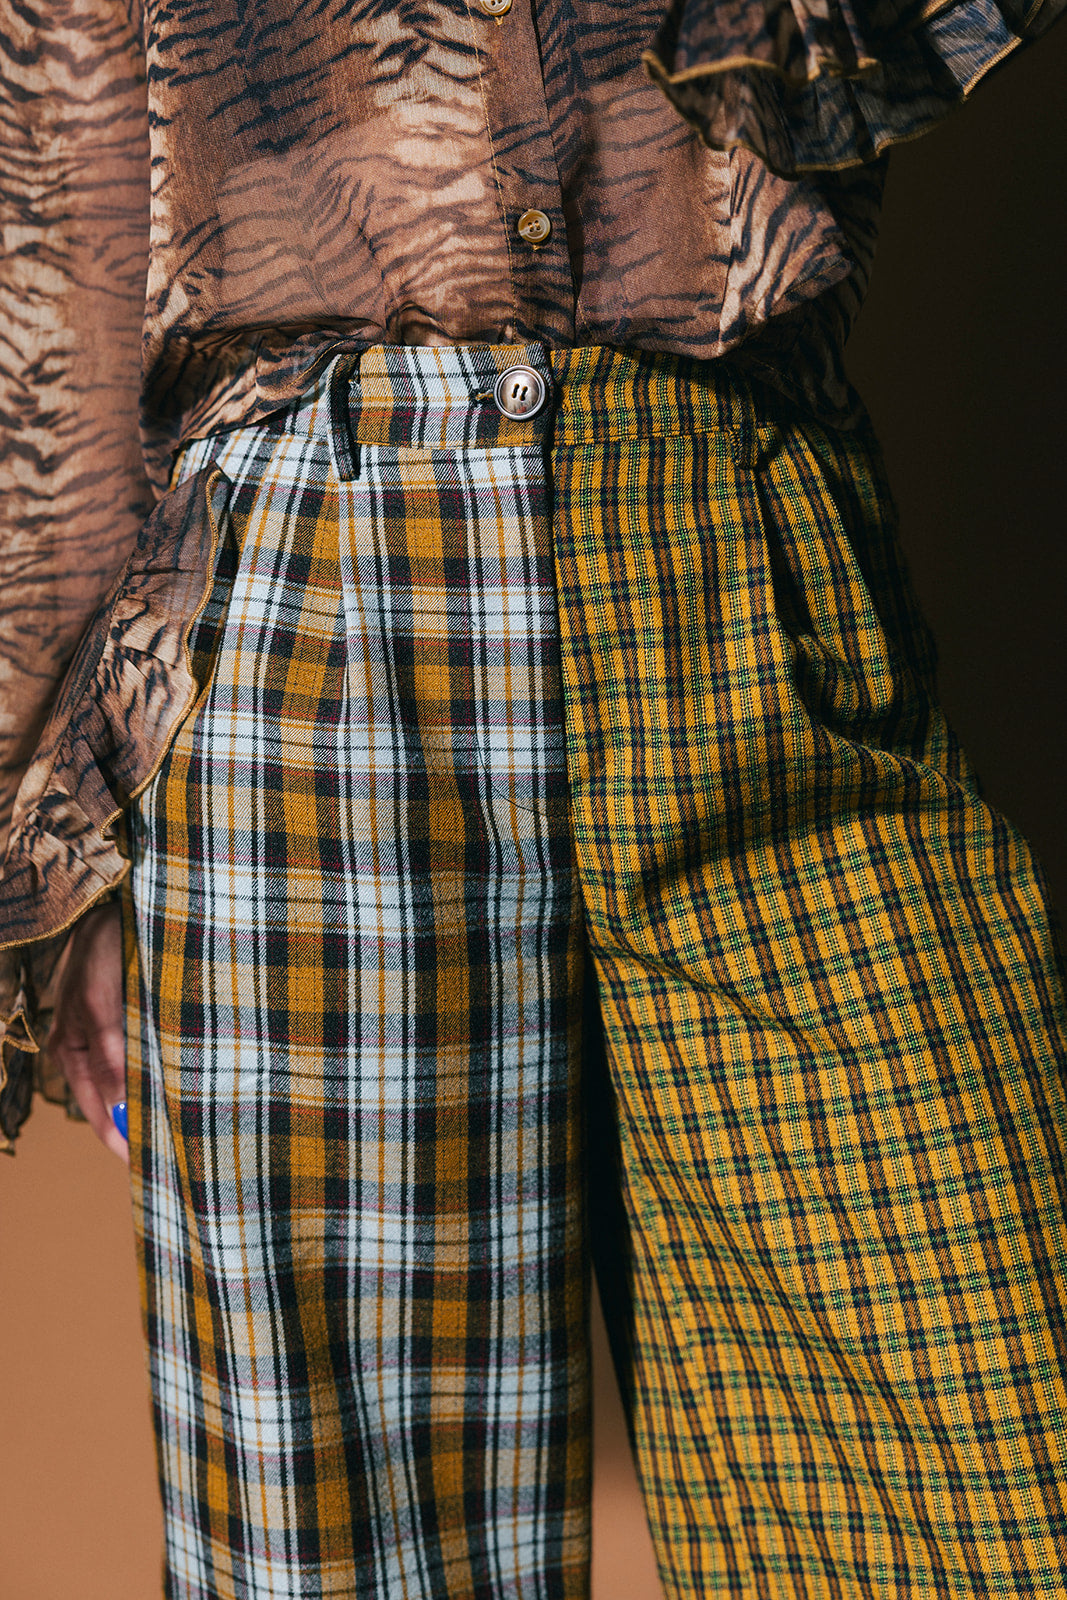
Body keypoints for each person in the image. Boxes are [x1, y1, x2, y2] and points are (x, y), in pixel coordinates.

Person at [2, 0, 1067, 1596]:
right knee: (343, 1550)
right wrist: (51, 829)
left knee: (977, 1442)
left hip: (738, 520)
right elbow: (47, 232)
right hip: (307, 600)